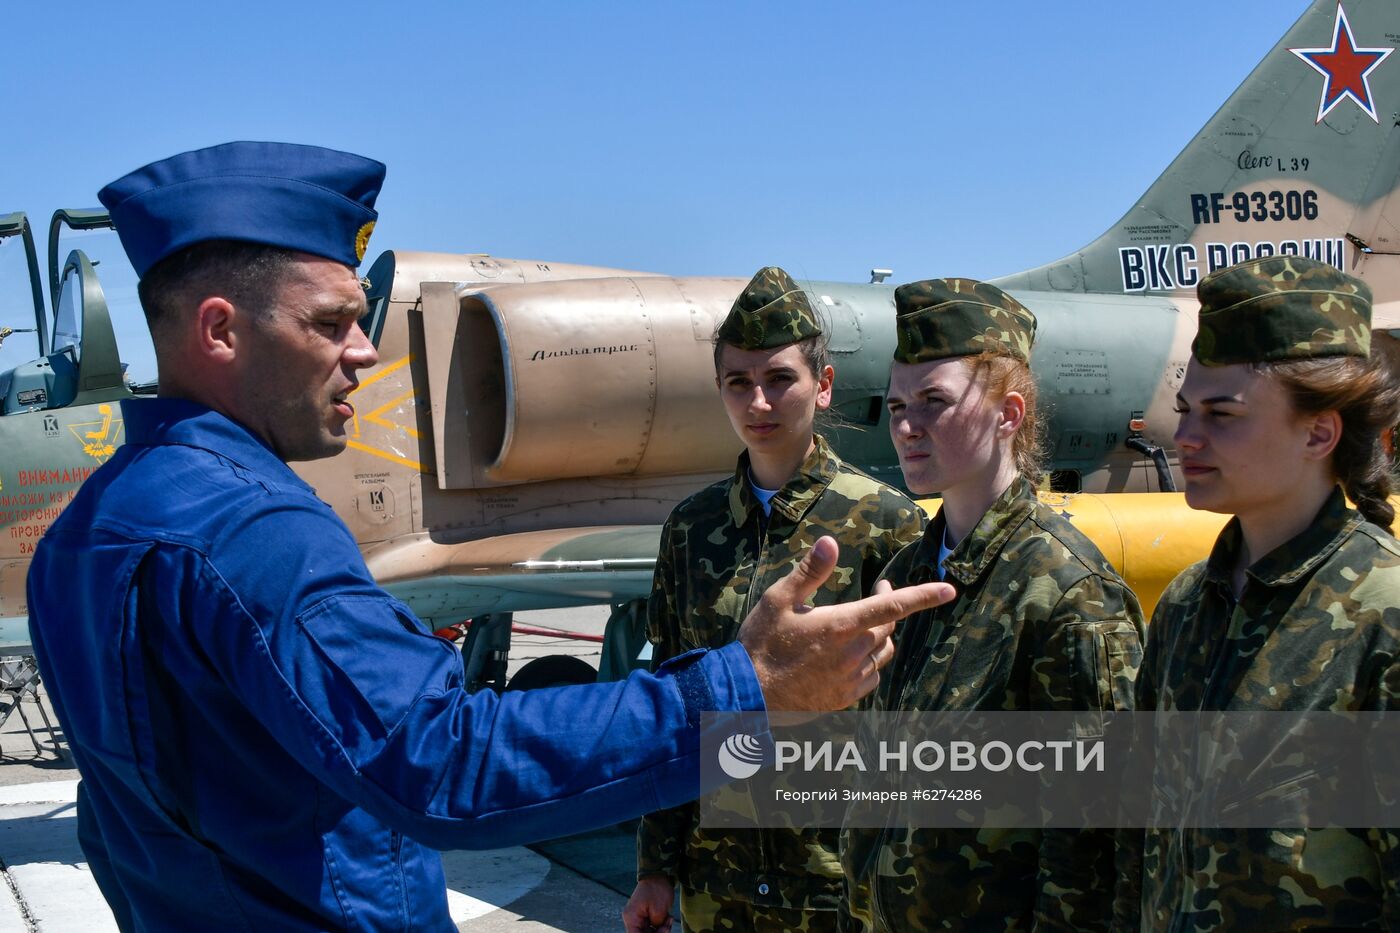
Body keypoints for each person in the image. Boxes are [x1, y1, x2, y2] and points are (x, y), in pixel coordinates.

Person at [24, 142, 955, 932]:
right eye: (331, 322)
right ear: (221, 331)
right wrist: (740, 686)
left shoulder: (84, 535)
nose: (361, 351)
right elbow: (445, 760)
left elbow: (118, 828)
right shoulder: (254, 531)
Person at [623, 267, 926, 933]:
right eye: (738, 381)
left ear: (822, 386)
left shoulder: (887, 523)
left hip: (838, 881)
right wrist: (657, 865)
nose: (758, 401)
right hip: (716, 884)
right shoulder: (691, 528)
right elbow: (672, 700)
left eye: (779, 378)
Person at [841, 278, 1145, 931]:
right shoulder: (906, 573)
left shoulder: (1067, 593)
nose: (905, 427)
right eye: (896, 404)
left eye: (933, 401)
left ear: (1008, 414)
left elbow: (1097, 848)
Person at [1114, 256, 1400, 929]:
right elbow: (1137, 837)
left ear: (1319, 431)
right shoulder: (1187, 605)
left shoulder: (1382, 618)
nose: (1184, 436)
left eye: (1222, 412)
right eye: (1186, 409)